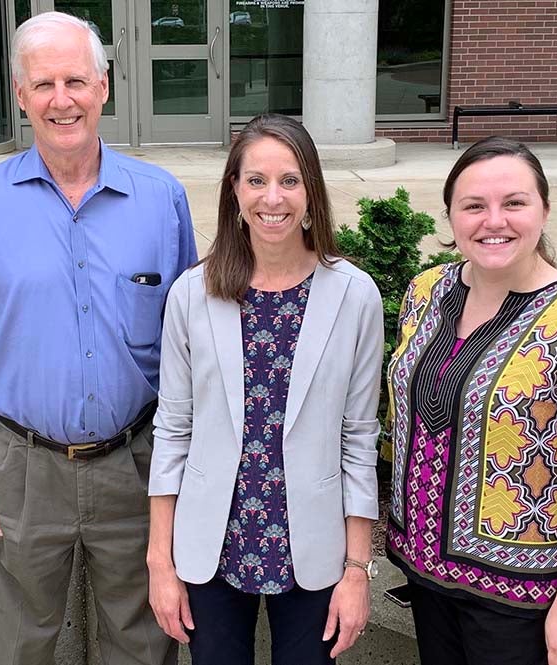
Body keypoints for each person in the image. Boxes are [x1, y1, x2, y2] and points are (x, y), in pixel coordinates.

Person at [0, 11, 196, 665]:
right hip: (20, 466)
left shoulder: (161, 199)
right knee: (23, 641)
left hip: (135, 462)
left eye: (75, 80)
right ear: (20, 96)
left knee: (142, 641)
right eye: (42, 83)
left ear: (103, 87)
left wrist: (186, 465)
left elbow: (193, 346)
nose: (61, 99)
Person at [386, 136, 557, 665]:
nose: (492, 220)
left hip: (521, 601)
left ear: (544, 209)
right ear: (451, 216)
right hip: (425, 575)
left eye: (514, 203)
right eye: (474, 205)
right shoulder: (426, 292)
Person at [146, 113, 384, 665]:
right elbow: (172, 431)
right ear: (234, 191)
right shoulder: (191, 294)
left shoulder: (354, 297)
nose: (272, 198)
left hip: (313, 546)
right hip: (211, 544)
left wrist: (357, 569)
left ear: (311, 193)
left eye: (290, 180)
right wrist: (161, 562)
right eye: (256, 180)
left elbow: (359, 438)